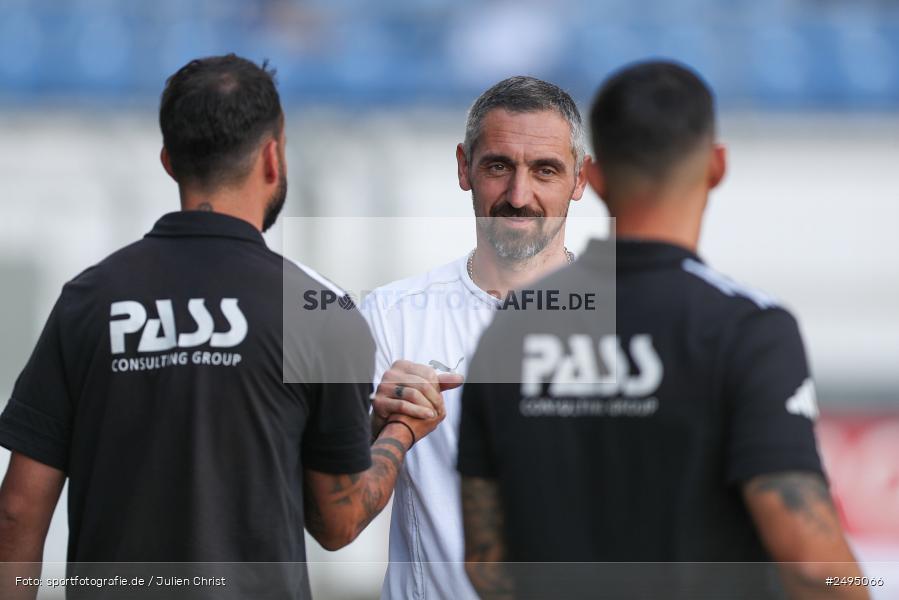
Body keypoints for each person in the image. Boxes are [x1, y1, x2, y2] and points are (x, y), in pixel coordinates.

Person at [0, 54, 446, 600]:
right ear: (272, 157)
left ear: (168, 160)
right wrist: (399, 428)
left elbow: (17, 512)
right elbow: (338, 520)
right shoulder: (316, 309)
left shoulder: (89, 300)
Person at [458, 61, 868, 600]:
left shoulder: (510, 330)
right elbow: (816, 569)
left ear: (595, 178)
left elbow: (486, 563)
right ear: (716, 166)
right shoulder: (747, 329)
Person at [361, 75, 588, 600]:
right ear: (464, 167)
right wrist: (375, 429)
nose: (518, 196)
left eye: (545, 170)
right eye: (498, 166)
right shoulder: (392, 317)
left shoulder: (634, 324)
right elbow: (330, 509)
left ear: (581, 178)